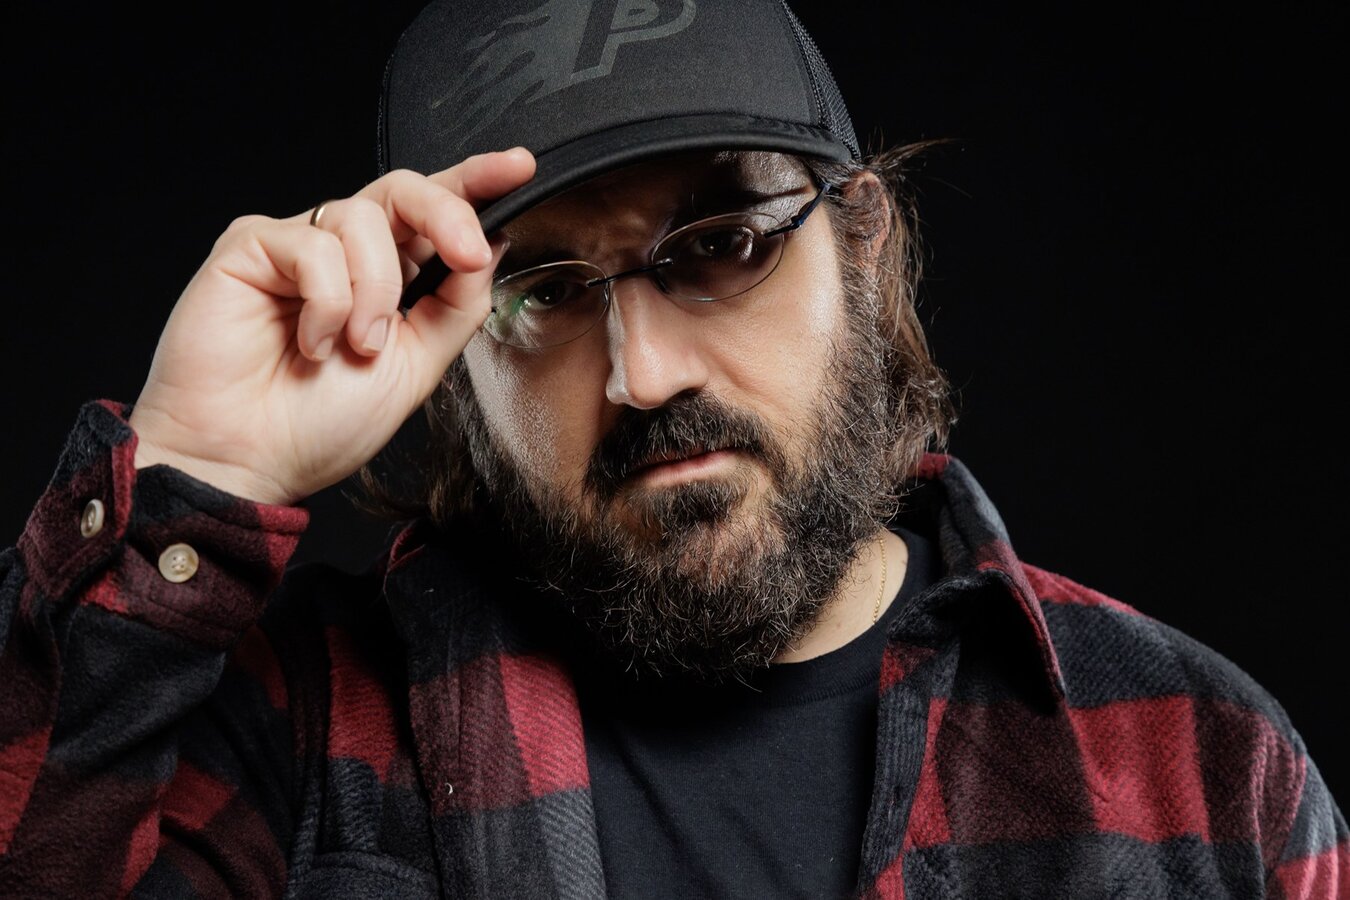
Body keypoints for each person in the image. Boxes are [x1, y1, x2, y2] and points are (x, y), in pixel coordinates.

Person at [1, 0, 1345, 897]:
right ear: (452, 355)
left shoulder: (1199, 760)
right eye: (542, 293)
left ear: (863, 249)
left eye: (722, 246)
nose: (642, 376)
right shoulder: (294, 726)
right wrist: (192, 469)